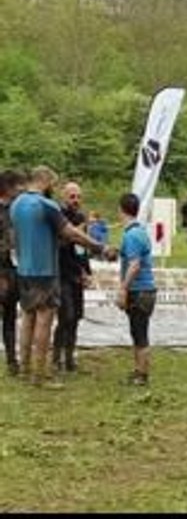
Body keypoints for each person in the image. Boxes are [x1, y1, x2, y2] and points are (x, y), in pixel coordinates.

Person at [10, 166, 112, 387]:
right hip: (44, 271)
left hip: (23, 269)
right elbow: (71, 233)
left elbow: (18, 236)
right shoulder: (47, 206)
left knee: (27, 318)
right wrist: (98, 246)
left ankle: (24, 368)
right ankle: (41, 375)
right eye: (53, 185)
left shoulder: (16, 204)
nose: (53, 189)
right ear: (45, 181)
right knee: (44, 321)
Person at [117, 193, 157, 386]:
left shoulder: (131, 235)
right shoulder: (140, 232)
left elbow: (134, 265)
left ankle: (142, 375)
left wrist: (123, 289)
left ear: (121, 210)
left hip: (139, 290)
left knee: (140, 334)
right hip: (147, 290)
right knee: (137, 331)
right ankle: (138, 370)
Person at [53, 181, 92, 373]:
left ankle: (69, 358)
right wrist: (74, 232)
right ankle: (55, 358)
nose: (76, 200)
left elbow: (84, 249)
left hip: (77, 273)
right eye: (72, 196)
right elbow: (60, 243)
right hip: (61, 273)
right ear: (64, 197)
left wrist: (87, 272)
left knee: (76, 317)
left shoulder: (81, 217)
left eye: (78, 196)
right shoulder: (59, 217)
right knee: (65, 316)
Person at [0, 170, 24, 376]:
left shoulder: (17, 209)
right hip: (2, 269)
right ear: (8, 187)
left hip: (15, 269)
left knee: (10, 315)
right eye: (18, 186)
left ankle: (11, 360)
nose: (21, 190)